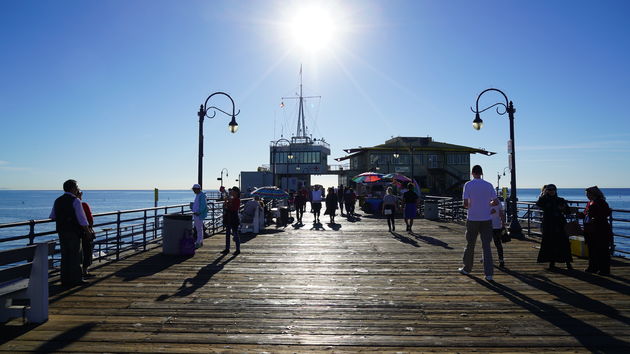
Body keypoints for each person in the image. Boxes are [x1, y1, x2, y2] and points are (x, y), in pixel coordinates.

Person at [459, 165, 499, 281]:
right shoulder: (488, 185)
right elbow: (495, 202)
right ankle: (489, 274)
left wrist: (472, 206)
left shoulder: (468, 185)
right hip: (486, 219)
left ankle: (467, 268)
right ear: (481, 173)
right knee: (486, 246)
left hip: (472, 219)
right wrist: (488, 205)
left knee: (470, 245)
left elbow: (465, 204)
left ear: (472, 173)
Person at [49, 179, 90, 287]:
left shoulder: (58, 200)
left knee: (65, 255)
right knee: (76, 256)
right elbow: (82, 219)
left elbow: (52, 216)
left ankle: (65, 279)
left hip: (62, 231)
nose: (78, 189)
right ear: (72, 188)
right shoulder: (75, 201)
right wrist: (88, 231)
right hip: (74, 232)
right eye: (77, 187)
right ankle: (76, 279)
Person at [536, 184, 573, 270]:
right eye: (549, 190)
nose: (551, 191)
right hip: (549, 224)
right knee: (550, 243)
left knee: (564, 244)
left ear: (556, 190)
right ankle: (551, 263)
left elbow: (568, 211)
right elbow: (539, 204)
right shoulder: (543, 199)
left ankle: (568, 263)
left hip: (560, 223)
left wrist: (563, 209)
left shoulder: (561, 200)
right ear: (547, 191)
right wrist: (544, 195)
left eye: (553, 189)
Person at [578, 186, 613, 275]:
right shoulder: (590, 203)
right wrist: (581, 215)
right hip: (590, 229)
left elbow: (606, 213)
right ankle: (593, 267)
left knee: (601, 249)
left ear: (594, 194)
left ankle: (604, 269)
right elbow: (586, 214)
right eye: (586, 194)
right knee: (592, 249)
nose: (587, 196)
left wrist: (593, 215)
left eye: (588, 194)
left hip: (600, 229)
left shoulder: (601, 202)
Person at [77, 190, 96, 278]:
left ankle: (79, 271)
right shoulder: (83, 204)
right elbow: (89, 217)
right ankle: (85, 271)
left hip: (75, 232)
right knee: (87, 250)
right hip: (85, 231)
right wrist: (90, 229)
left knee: (78, 252)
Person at [222, 187, 241, 254]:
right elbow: (225, 207)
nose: (231, 192)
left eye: (233, 191)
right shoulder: (232, 199)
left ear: (236, 192)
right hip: (228, 217)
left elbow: (234, 209)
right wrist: (225, 201)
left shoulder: (237, 200)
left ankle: (238, 249)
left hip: (234, 217)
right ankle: (227, 249)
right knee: (227, 234)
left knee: (235, 234)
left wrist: (229, 202)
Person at [489, 197, 506, 268]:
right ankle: (501, 260)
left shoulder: (484, 201)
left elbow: (481, 214)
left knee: (486, 244)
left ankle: (486, 259)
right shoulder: (498, 201)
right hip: (497, 226)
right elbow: (502, 214)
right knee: (498, 244)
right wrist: (503, 224)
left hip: (487, 226)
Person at [191, 184, 208, 248]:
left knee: (199, 229)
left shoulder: (201, 195)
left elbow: (203, 205)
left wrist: (198, 212)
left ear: (197, 189)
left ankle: (199, 242)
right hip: (196, 214)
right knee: (199, 228)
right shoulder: (199, 195)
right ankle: (199, 241)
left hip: (198, 214)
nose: (193, 191)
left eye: (194, 189)